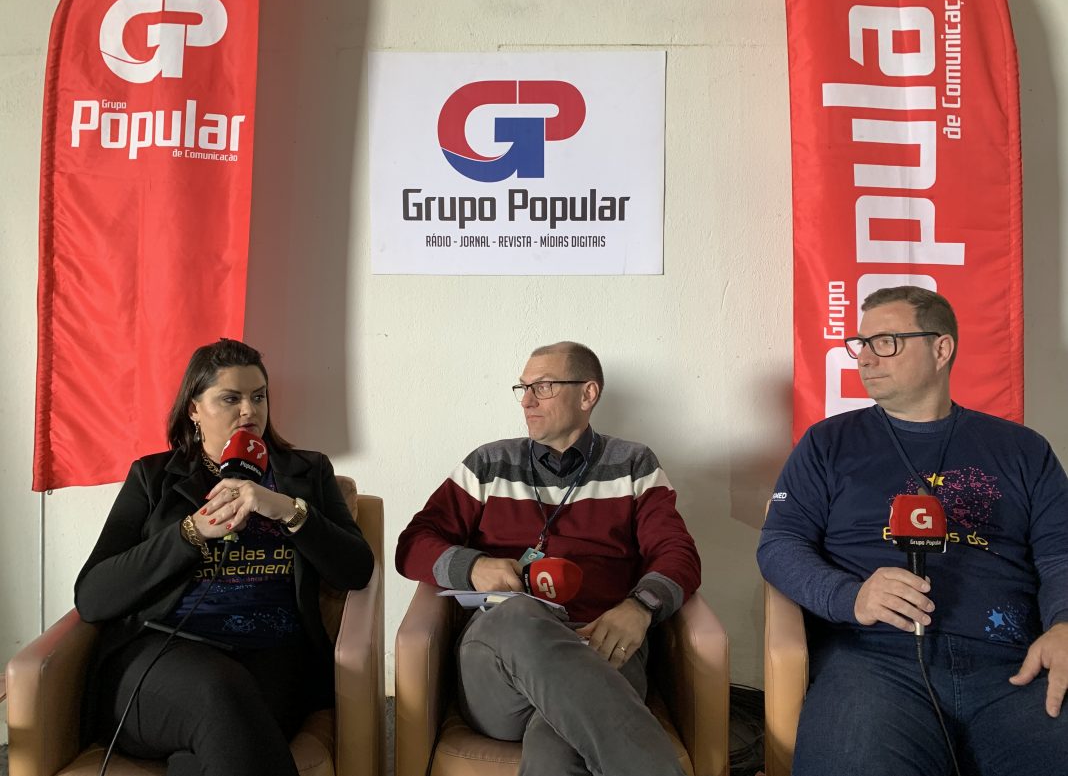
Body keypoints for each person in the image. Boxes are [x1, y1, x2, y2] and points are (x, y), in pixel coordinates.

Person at [758, 286, 1068, 776]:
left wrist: (1064, 625)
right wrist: (851, 596)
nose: (865, 358)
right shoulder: (827, 444)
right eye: (861, 343)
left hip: (1013, 666)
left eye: (886, 342)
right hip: (872, 661)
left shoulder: (1023, 450)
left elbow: (1060, 554)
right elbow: (780, 544)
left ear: (941, 349)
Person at [396, 341, 701, 776]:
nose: (526, 401)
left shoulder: (634, 464)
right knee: (519, 614)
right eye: (522, 388)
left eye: (542, 387)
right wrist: (474, 566)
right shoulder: (489, 464)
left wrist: (640, 607)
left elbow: (678, 553)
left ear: (588, 394)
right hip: (499, 661)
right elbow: (413, 544)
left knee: (557, 743)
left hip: (602, 647)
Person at [75, 339, 374, 776]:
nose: (249, 411)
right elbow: (93, 596)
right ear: (194, 409)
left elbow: (356, 569)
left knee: (208, 748)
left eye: (259, 397)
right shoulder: (152, 478)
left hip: (274, 658)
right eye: (230, 399)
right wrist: (190, 533)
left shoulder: (307, 473)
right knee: (220, 690)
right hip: (164, 657)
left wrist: (288, 511)